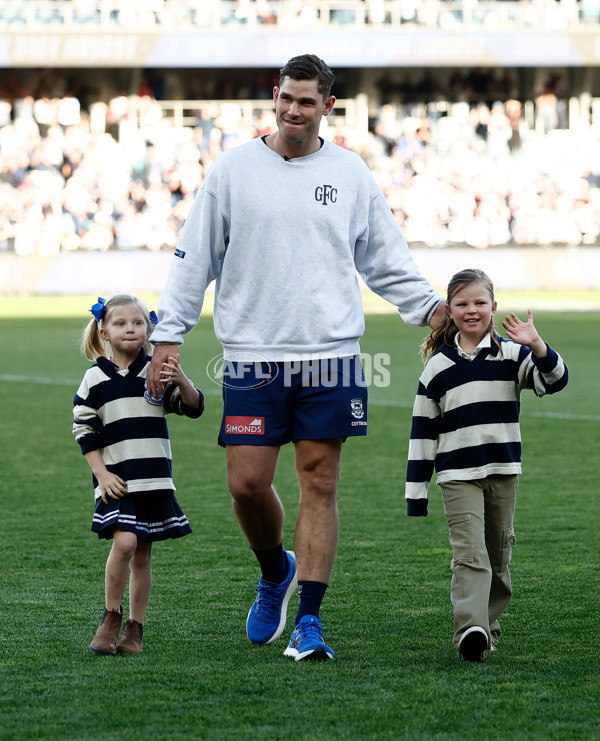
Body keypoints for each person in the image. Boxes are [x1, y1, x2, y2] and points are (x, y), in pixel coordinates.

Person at [147, 54, 446, 662]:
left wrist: (433, 309)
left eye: (305, 101)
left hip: (330, 355)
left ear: (327, 107)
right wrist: (168, 335)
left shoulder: (351, 173)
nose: (292, 110)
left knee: (320, 482)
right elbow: (193, 256)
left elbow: (385, 258)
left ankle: (309, 619)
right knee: (247, 484)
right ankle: (274, 570)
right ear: (274, 96)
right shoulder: (232, 171)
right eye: (285, 98)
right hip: (253, 354)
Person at [405, 269, 568, 662]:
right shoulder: (438, 368)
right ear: (450, 310)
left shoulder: (513, 355)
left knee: (497, 556)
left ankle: (487, 628)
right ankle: (469, 629)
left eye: (480, 303)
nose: (472, 310)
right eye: (462, 304)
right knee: (469, 554)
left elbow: (556, 381)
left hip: (503, 471)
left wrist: (538, 346)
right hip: (458, 476)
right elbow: (422, 432)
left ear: (493, 307)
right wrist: (416, 492)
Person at [73, 294, 204, 655]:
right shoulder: (95, 378)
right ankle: (111, 616)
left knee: (143, 553)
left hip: (154, 478)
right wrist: (101, 476)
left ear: (148, 329)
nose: (130, 329)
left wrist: (182, 378)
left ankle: (135, 627)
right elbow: (84, 431)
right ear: (103, 331)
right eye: (120, 323)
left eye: (137, 323)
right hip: (117, 480)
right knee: (126, 543)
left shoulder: (156, 372)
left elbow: (193, 408)